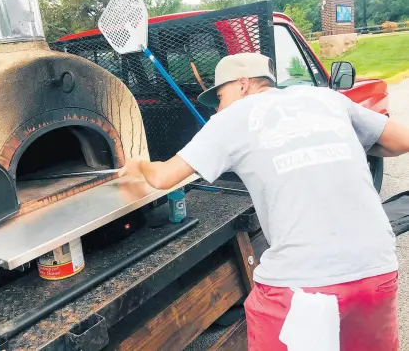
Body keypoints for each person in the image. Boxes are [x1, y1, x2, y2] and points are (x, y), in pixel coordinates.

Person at [119, 52, 409, 351]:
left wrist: (138, 165)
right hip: (376, 269)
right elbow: (402, 140)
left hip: (302, 285)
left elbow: (164, 177)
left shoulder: (230, 119)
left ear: (243, 84)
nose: (217, 107)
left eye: (219, 95)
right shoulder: (326, 98)